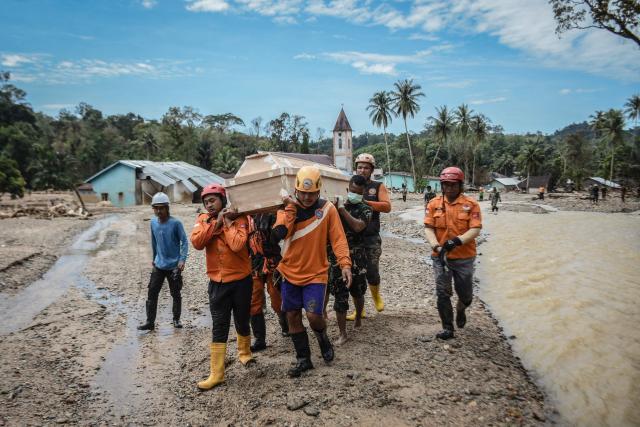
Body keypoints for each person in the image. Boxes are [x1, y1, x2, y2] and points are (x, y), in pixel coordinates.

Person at [274, 166, 352, 377]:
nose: (307, 197)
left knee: (313, 315)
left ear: (319, 191)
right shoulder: (287, 209)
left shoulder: (328, 209)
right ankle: (303, 359)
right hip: (289, 271)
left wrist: (345, 264)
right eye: (303, 193)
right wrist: (289, 207)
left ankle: (322, 337)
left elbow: (338, 239)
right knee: (291, 315)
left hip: (316, 273)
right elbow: (281, 232)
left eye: (311, 193)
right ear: (296, 190)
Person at [191, 184, 254, 390]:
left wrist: (226, 223)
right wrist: (215, 224)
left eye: (213, 200)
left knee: (242, 319)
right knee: (219, 325)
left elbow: (237, 245)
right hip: (217, 283)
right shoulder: (202, 220)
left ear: (223, 200)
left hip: (242, 281)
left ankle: (244, 354)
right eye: (206, 201)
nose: (209, 205)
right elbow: (198, 243)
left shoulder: (241, 219)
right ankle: (217, 374)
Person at [424, 167, 482, 340]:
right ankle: (448, 328)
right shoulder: (434, 203)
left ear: (460, 185)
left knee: (466, 295)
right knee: (442, 293)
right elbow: (428, 228)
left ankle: (461, 308)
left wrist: (456, 241)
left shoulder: (471, 204)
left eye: (453, 185)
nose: (449, 188)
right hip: (440, 257)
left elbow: (475, 228)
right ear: (442, 185)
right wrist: (436, 246)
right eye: (446, 185)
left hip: (464, 257)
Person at [325, 174, 372, 345]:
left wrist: (342, 211)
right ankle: (343, 333)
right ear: (347, 189)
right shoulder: (335, 205)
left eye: (358, 193)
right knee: (339, 293)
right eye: (352, 191)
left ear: (363, 193)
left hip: (357, 257)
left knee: (358, 291)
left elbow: (359, 226)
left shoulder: (365, 208)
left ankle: (359, 316)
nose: (354, 195)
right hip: (337, 256)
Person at [347, 153, 391, 320]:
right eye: (359, 167)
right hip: (352, 237)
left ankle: (376, 296)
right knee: (354, 273)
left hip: (371, 236)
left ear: (371, 170)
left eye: (366, 167)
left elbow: (387, 207)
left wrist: (364, 202)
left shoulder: (377, 186)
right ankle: (360, 310)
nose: (362, 170)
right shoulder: (350, 184)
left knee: (372, 271)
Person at [137, 192, 188, 331]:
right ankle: (150, 322)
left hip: (174, 266)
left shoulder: (176, 223)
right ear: (153, 208)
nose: (159, 211)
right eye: (156, 208)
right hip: (159, 265)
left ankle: (176, 319)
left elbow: (184, 242)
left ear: (167, 208)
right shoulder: (153, 222)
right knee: (152, 293)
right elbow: (154, 242)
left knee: (175, 293)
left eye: (161, 208)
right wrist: (154, 258)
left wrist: (182, 260)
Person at [247, 213, 288, 352]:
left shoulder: (275, 213)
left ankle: (286, 325)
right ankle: (259, 339)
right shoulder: (243, 217)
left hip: (273, 262)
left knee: (277, 298)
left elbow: (283, 234)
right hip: (253, 264)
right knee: (254, 302)